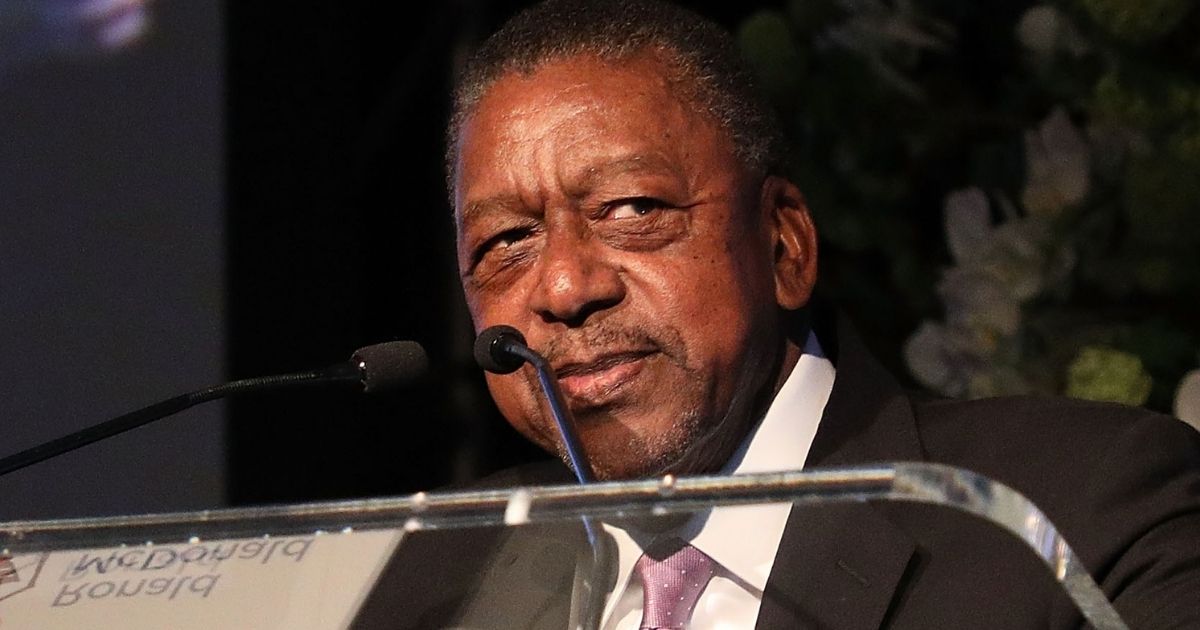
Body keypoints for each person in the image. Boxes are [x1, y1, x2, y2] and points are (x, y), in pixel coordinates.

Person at [353, 1, 1200, 627]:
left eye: (631, 207)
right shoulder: (428, 576)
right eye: (505, 241)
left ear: (785, 245)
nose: (565, 287)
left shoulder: (1081, 507)